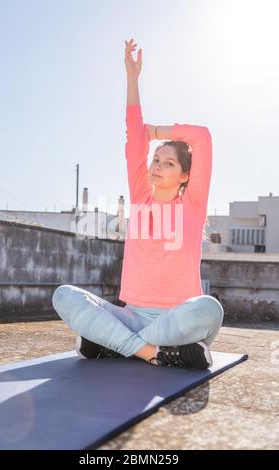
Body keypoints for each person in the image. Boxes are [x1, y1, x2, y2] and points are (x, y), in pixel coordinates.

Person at [52, 38, 224, 369]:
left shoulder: (193, 205)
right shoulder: (140, 195)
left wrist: (156, 130)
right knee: (64, 296)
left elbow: (201, 136)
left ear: (185, 175)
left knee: (210, 310)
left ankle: (115, 344)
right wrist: (132, 78)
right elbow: (133, 137)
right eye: (155, 159)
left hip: (178, 320)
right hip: (131, 316)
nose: (156, 165)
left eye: (168, 163)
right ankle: (151, 352)